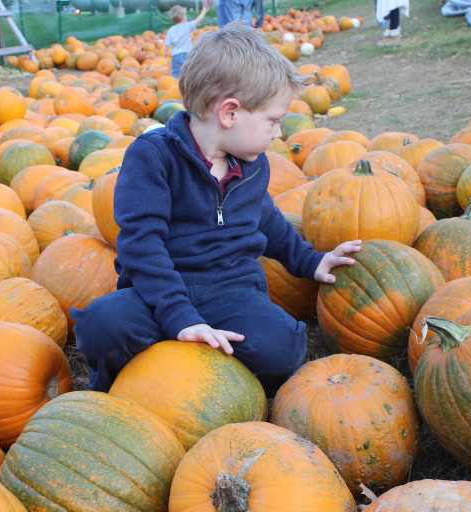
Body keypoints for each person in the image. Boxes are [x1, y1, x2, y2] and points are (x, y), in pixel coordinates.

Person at [71, 24, 361, 397]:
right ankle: (118, 394)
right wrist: (179, 317)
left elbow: (268, 222)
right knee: (101, 325)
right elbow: (142, 245)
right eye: (273, 120)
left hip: (231, 290)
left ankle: (224, 391)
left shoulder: (254, 165)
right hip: (157, 291)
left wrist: (310, 261)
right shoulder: (153, 157)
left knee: (283, 347)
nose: (278, 133)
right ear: (229, 113)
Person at [164, 4, 208, 79]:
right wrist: (205, 10)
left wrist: (165, 54)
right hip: (188, 54)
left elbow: (167, 44)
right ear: (184, 17)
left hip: (176, 56)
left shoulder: (171, 30)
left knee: (177, 75)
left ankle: (177, 88)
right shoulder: (187, 26)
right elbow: (198, 20)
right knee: (189, 73)